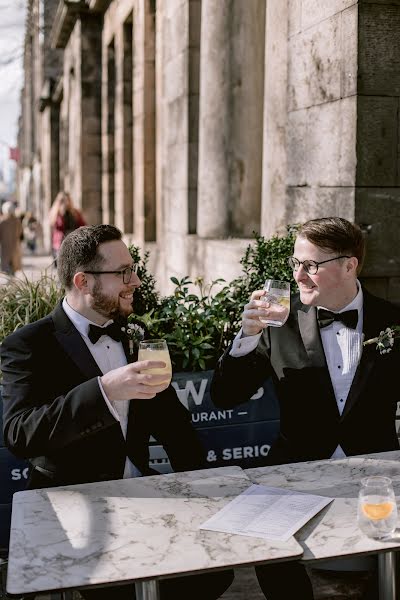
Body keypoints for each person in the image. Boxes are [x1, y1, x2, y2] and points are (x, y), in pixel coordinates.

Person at [1, 224, 234, 600]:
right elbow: (20, 434)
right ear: (83, 281)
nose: (136, 280)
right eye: (123, 272)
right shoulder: (28, 345)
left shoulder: (132, 333)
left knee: (214, 572)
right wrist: (103, 391)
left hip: (142, 492)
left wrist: (208, 494)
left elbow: (174, 426)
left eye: (133, 269)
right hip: (75, 507)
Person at [211, 216, 400, 600]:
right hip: (294, 471)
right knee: (263, 545)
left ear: (349, 266)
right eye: (295, 264)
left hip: (377, 474)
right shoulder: (277, 323)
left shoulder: (393, 322)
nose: (298, 276)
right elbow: (224, 396)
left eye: (311, 265)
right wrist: (246, 338)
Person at [49, 191, 86, 261]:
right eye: (63, 200)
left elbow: (82, 225)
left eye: (67, 200)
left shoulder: (75, 212)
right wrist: (62, 212)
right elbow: (58, 226)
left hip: (74, 242)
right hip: (60, 242)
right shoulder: (55, 213)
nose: (66, 202)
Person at [0, 200, 23, 275]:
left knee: (7, 270)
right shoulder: (17, 221)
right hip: (15, 247)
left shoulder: (2, 222)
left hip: (5, 249)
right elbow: (20, 233)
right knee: (13, 268)